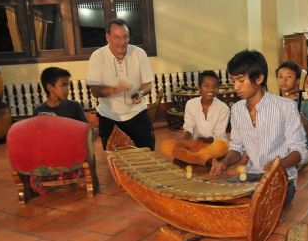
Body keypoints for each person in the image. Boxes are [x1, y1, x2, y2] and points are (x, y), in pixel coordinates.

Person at [210, 50, 308, 205]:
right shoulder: (236, 109)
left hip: (281, 181)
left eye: (241, 80)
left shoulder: (285, 107)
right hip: (251, 178)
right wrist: (225, 162)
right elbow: (237, 148)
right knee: (213, 195)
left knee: (253, 201)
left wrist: (278, 165)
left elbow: (300, 152)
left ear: (259, 78)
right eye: (233, 80)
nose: (236, 86)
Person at [87, 18, 155, 151]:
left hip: (137, 114)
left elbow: (148, 84)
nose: (122, 42)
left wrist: (140, 93)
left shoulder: (139, 54)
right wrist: (114, 89)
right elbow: (95, 91)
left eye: (125, 37)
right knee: (116, 160)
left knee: (147, 152)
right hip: (109, 116)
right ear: (108, 38)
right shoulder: (98, 57)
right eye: (117, 38)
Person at [160, 70, 230, 166]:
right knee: (166, 145)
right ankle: (204, 160)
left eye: (215, 86)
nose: (211, 90)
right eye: (207, 86)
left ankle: (191, 158)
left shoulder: (223, 108)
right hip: (193, 145)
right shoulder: (191, 104)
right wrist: (184, 137)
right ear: (199, 88)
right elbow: (189, 127)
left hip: (212, 145)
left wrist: (200, 139)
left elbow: (219, 136)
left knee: (222, 146)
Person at [276, 61, 308, 169]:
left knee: (285, 168)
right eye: (280, 77)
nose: (283, 80)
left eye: (289, 77)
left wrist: (303, 120)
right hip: (279, 149)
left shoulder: (306, 103)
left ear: (297, 81)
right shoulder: (274, 103)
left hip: (299, 151)